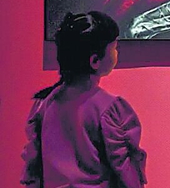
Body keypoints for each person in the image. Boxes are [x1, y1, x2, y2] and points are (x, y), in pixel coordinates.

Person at [21, 12, 147, 188]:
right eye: (114, 48)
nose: (116, 52)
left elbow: (34, 168)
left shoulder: (44, 104)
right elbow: (124, 169)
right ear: (95, 61)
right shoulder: (109, 108)